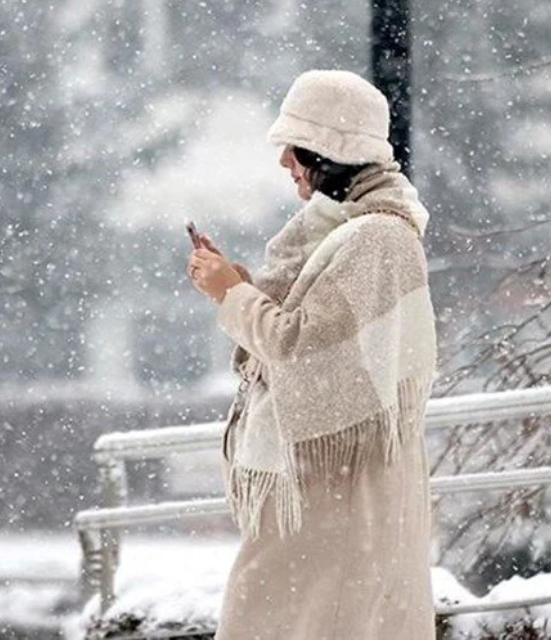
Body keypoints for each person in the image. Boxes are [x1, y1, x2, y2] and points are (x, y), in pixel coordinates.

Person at [187, 69, 438, 640]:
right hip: (328, 489)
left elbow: (301, 347)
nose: (285, 163)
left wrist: (231, 292)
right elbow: (313, 334)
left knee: (293, 619)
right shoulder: (345, 230)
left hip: (337, 494)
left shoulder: (375, 238)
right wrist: (237, 285)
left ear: (330, 151)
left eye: (294, 147)